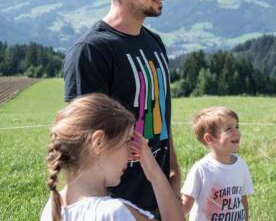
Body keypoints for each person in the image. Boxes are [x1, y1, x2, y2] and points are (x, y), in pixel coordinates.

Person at [63, 0, 180, 216]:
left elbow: (161, 113)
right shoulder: (92, 52)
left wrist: (172, 169)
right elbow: (81, 142)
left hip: (160, 196)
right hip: (118, 207)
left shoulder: (154, 43)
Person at [41, 93, 184, 221]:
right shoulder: (115, 213)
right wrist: (153, 171)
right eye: (126, 141)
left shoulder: (53, 209)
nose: (130, 156)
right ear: (98, 143)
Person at [181, 107, 254, 221]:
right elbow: (185, 206)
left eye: (237, 127)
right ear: (209, 138)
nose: (237, 132)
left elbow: (242, 199)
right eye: (229, 128)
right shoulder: (201, 169)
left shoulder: (241, 165)